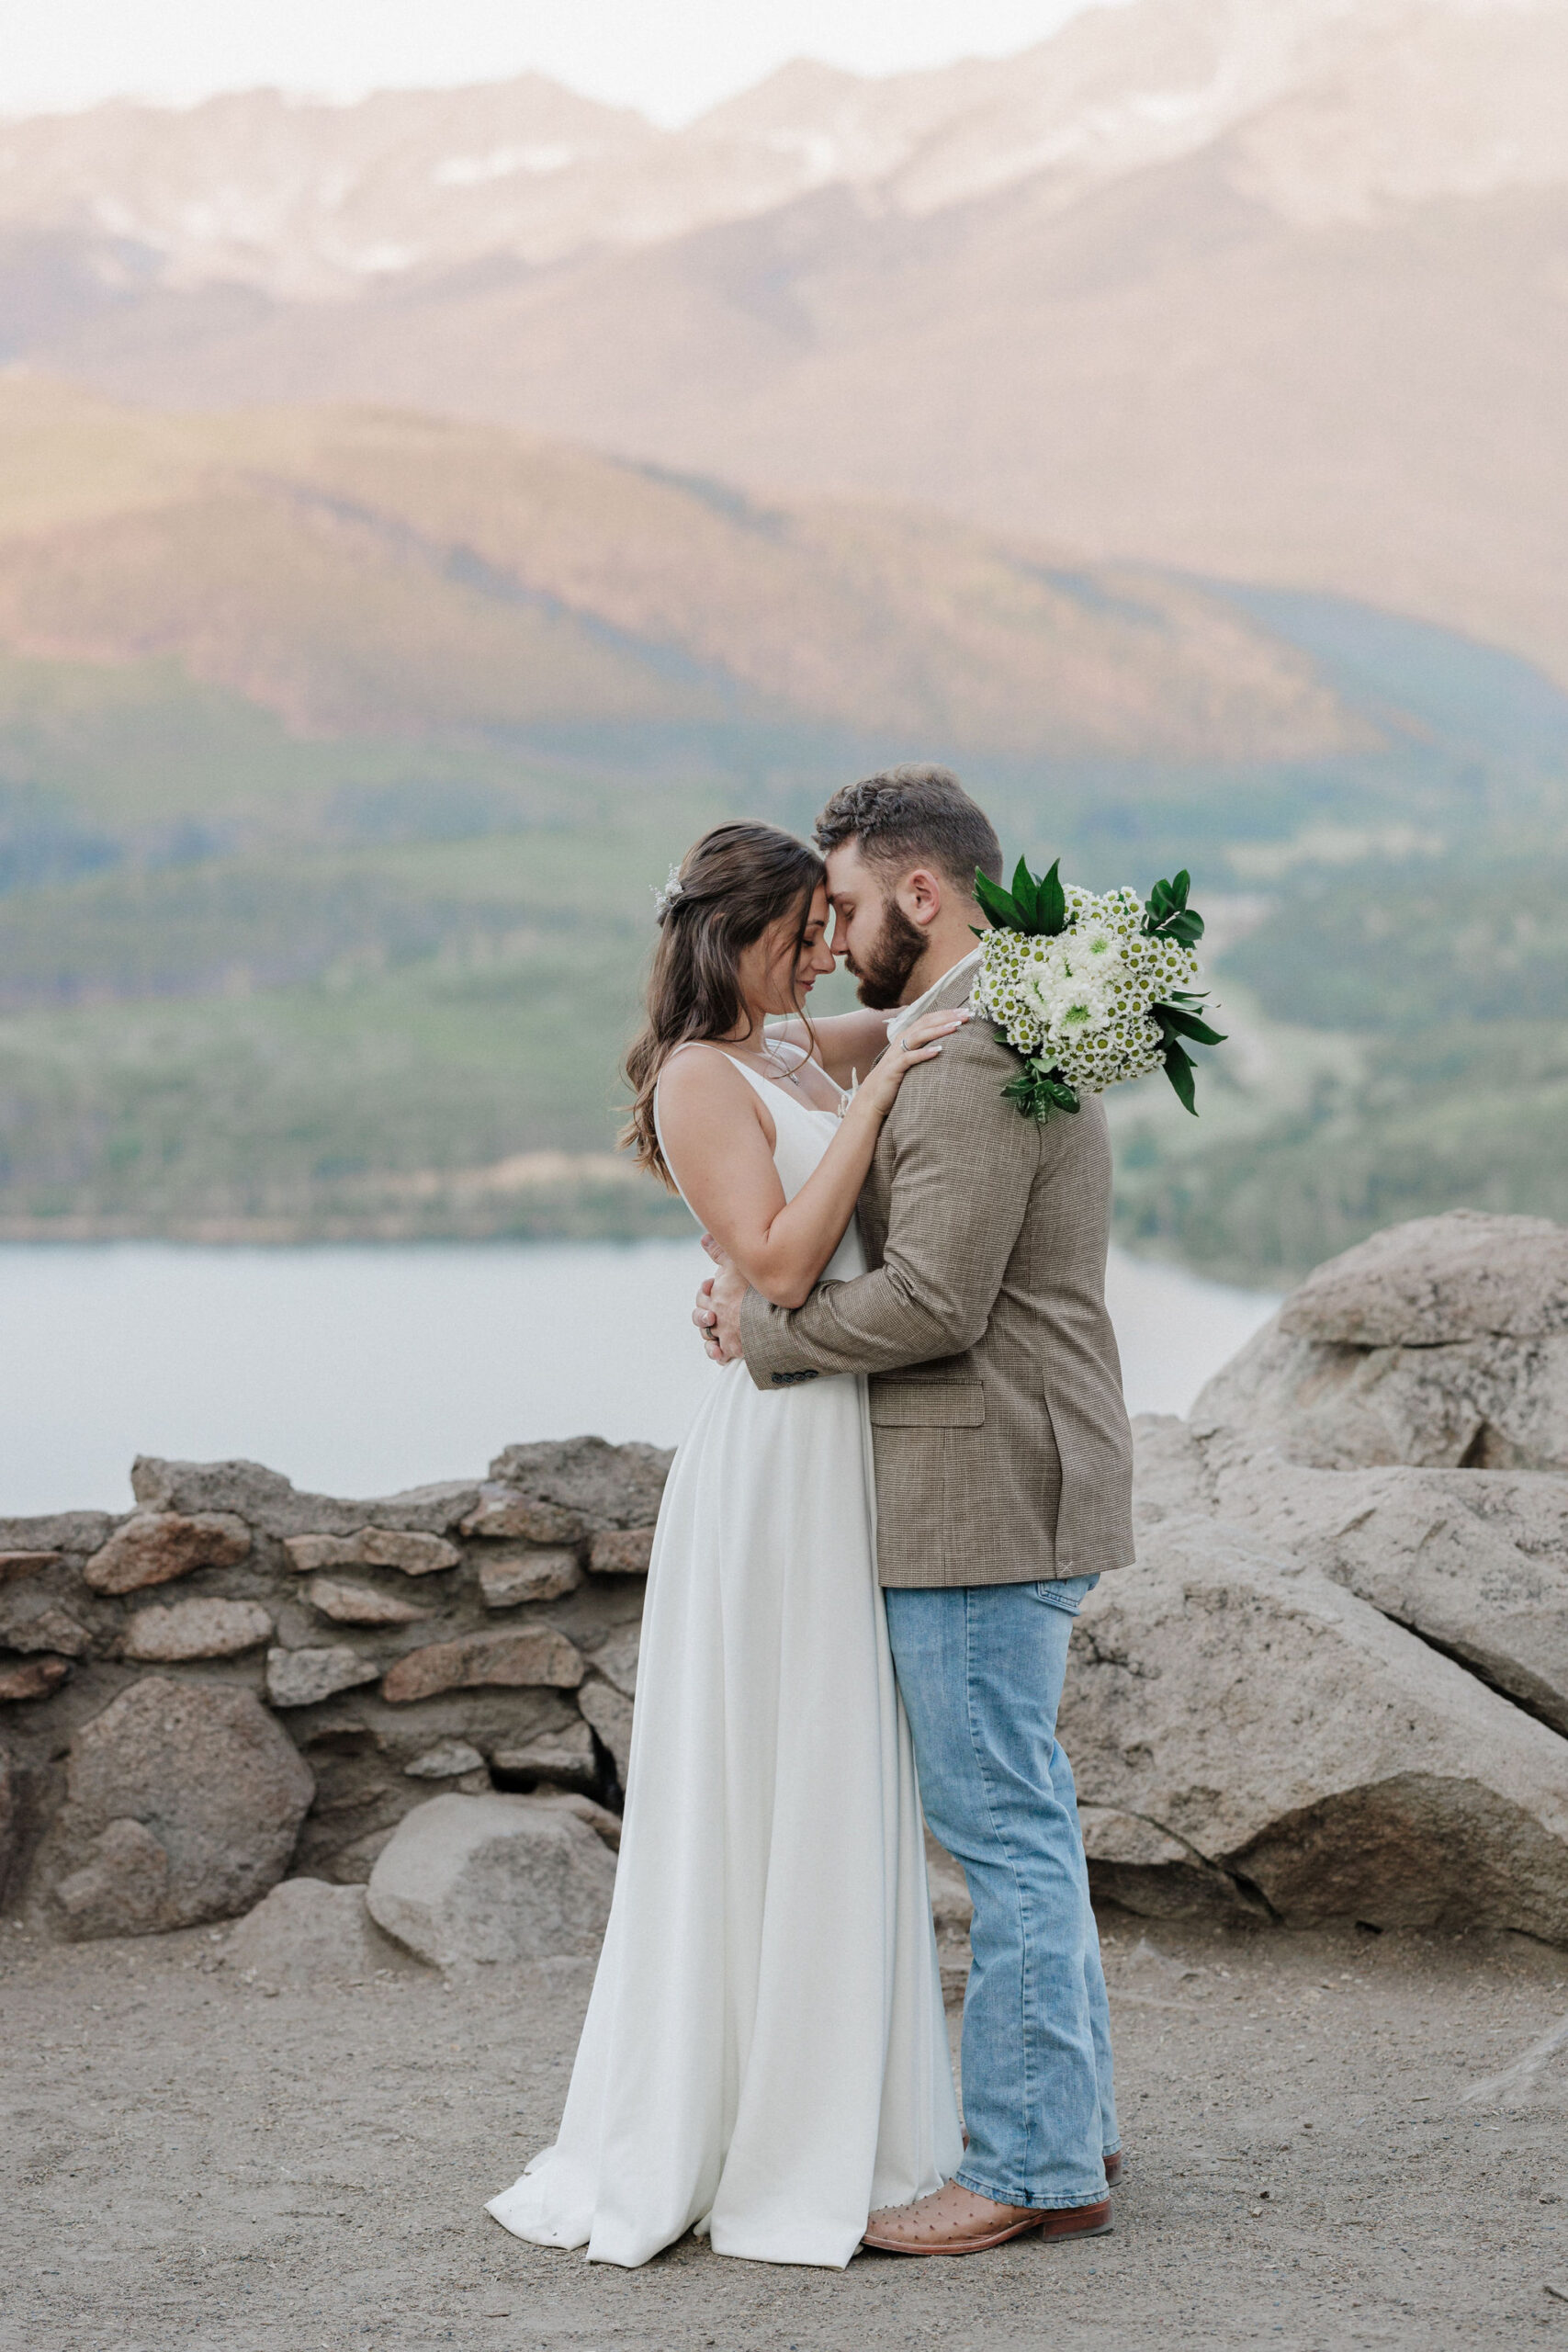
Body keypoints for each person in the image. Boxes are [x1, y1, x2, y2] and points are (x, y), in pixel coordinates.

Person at [485, 819, 968, 2267]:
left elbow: (937, 999)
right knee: (773, 1771)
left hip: (846, 1450)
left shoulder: (788, 1044)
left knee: (836, 1772)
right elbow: (773, 1266)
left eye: (837, 919)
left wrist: (1016, 987)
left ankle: (851, 2112)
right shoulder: (706, 1076)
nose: (832, 942)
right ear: (742, 932)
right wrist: (879, 1103)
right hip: (774, 1462)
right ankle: (731, 2127)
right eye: (810, 923)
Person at [697, 765, 1134, 2256]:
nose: (837, 932)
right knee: (1032, 1820)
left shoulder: (969, 1063)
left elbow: (940, 1301)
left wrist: (764, 1335)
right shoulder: (1000, 1020)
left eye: (851, 905)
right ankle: (1068, 2134)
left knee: (1002, 1830)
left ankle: (1020, 2170)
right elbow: (778, 1060)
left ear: (923, 896)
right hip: (1019, 1472)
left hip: (980, 1482)